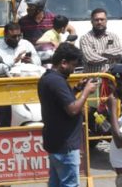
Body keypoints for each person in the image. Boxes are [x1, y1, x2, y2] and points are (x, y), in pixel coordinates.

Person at [38, 43, 97, 187]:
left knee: (56, 183)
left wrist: (77, 89)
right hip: (65, 146)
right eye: (73, 65)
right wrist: (86, 92)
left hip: (56, 142)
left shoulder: (48, 78)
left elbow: (60, 102)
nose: (73, 70)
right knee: (69, 184)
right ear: (63, 63)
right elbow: (72, 109)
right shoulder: (57, 81)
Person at [79, 8, 122, 73]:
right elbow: (90, 58)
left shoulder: (113, 36)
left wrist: (98, 52)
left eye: (102, 19)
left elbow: (119, 51)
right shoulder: (85, 38)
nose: (99, 22)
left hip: (112, 77)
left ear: (106, 21)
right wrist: (109, 60)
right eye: (96, 20)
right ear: (91, 22)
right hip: (93, 78)